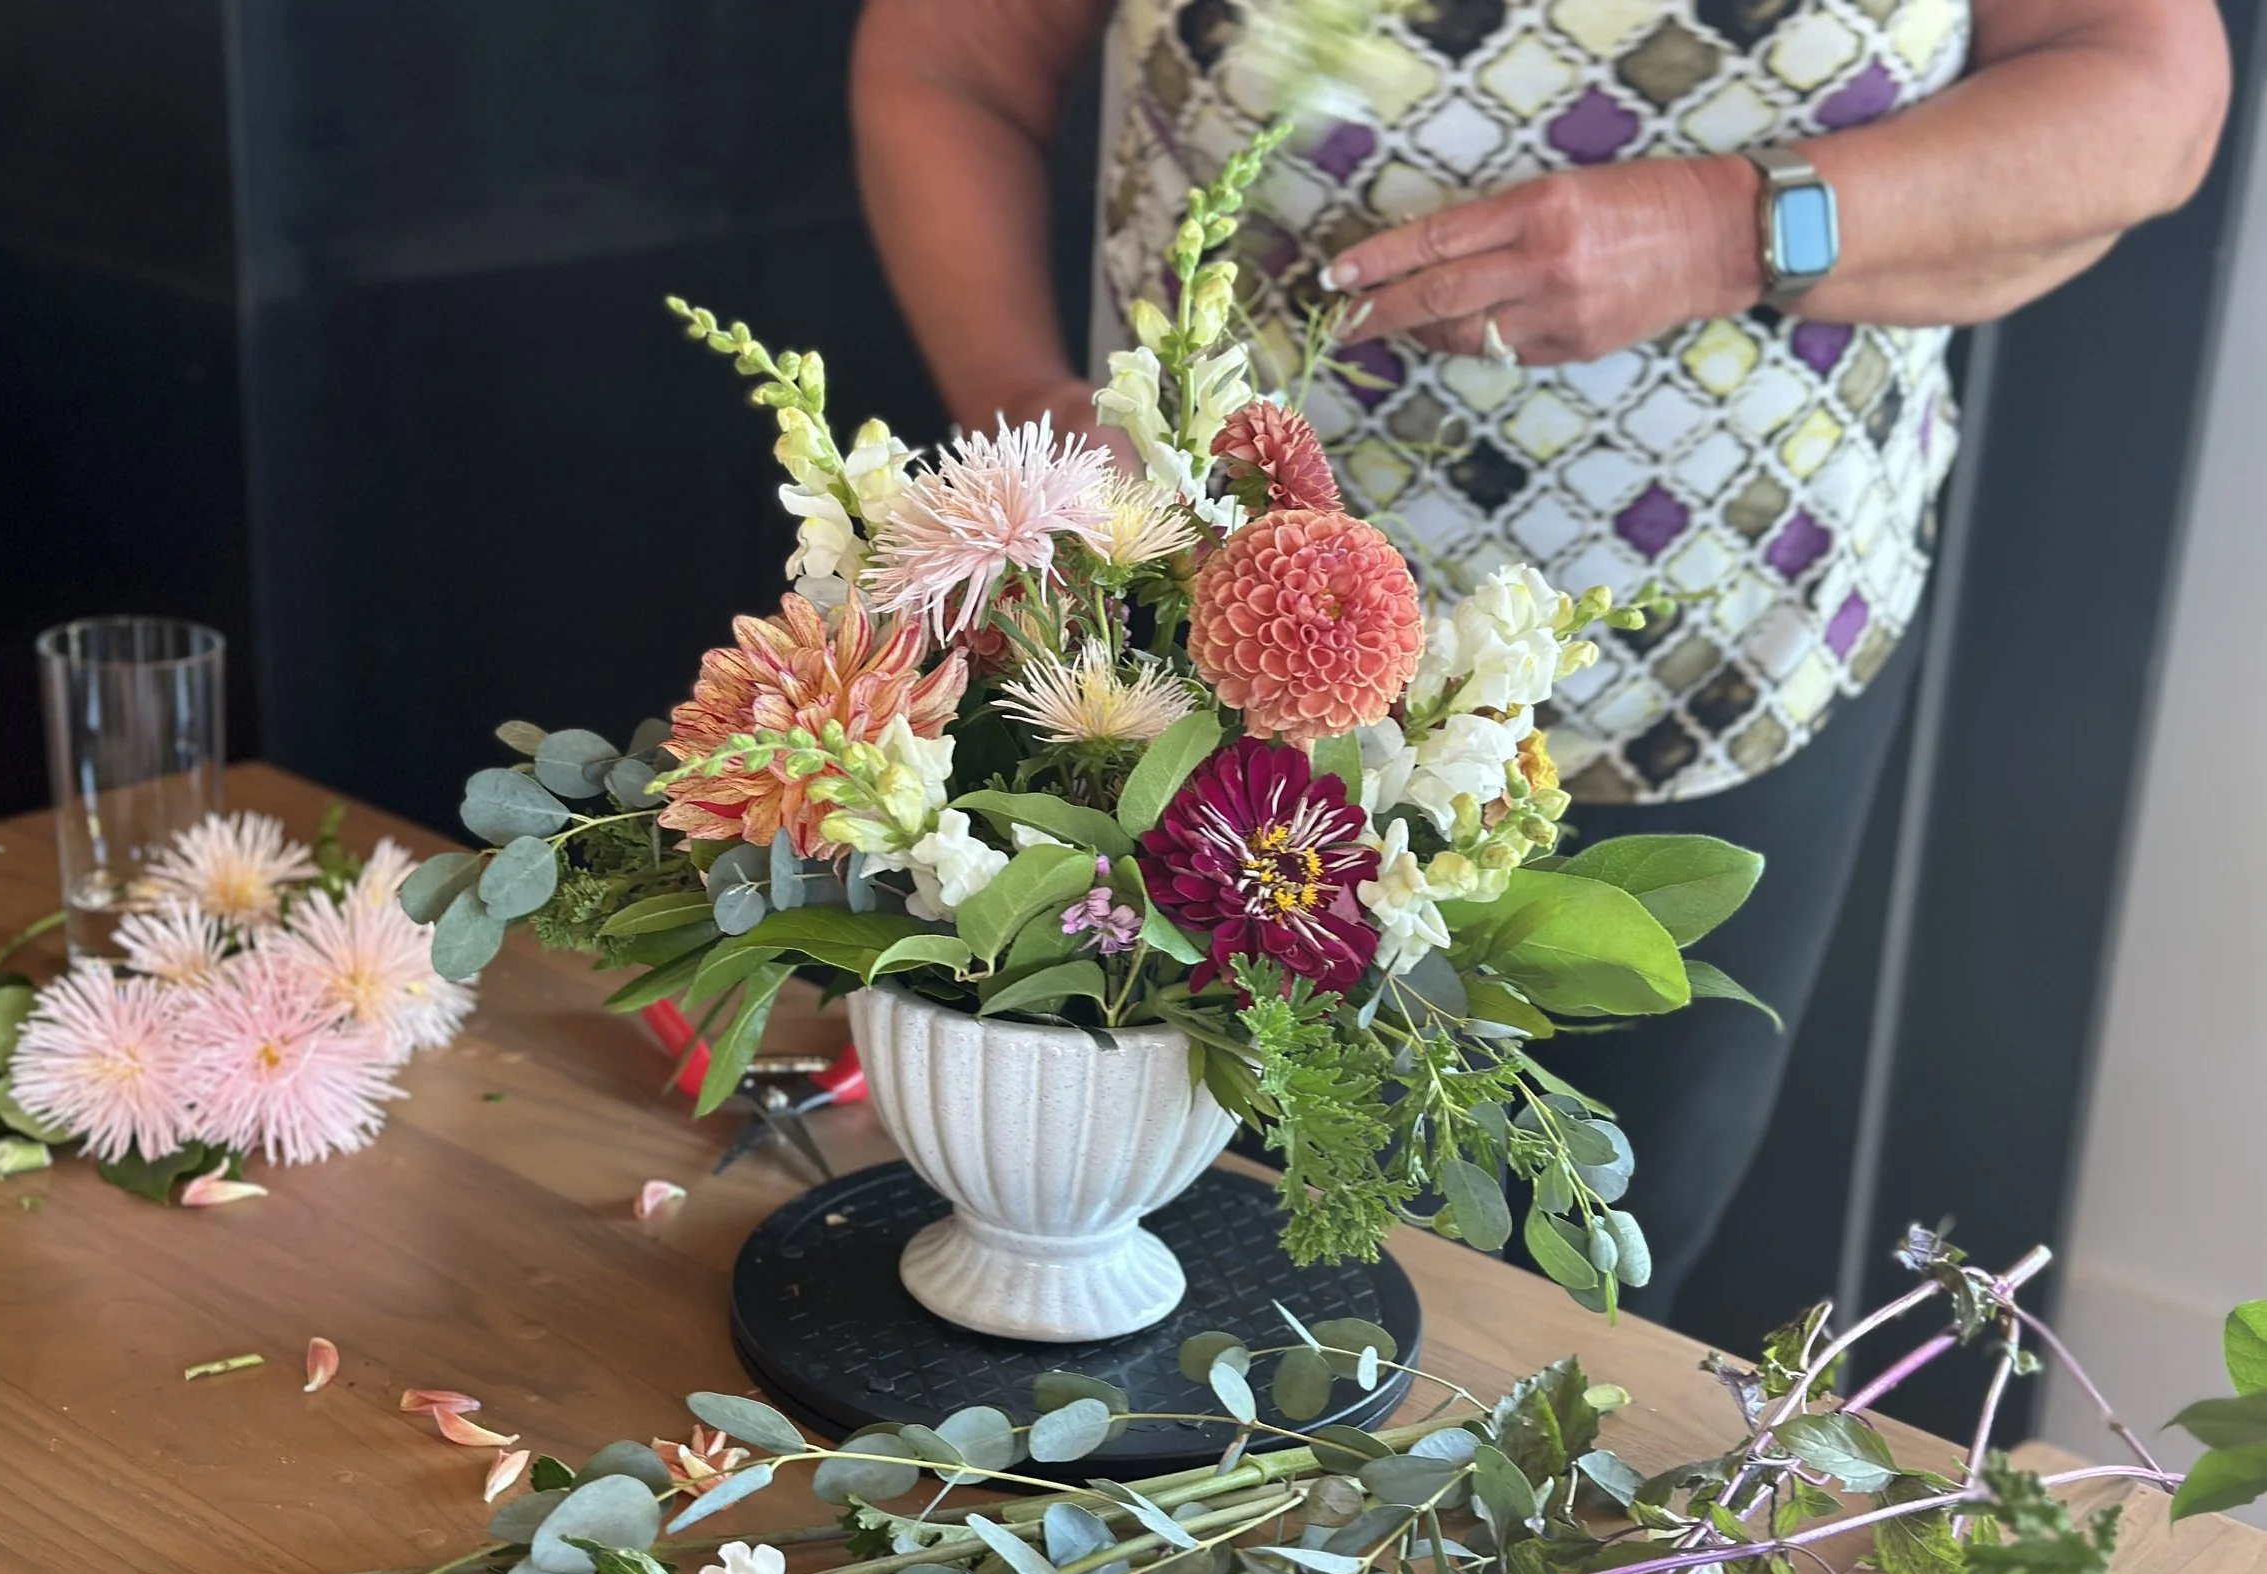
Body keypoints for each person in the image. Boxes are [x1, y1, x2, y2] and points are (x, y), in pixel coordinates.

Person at [848, 0, 2229, 1319]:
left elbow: (2148, 93)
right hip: (1205, 697)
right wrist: (1031, 423)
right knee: (1155, 1288)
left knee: (1570, 1307)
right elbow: (947, 61)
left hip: (1733, 669)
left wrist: (1723, 229)